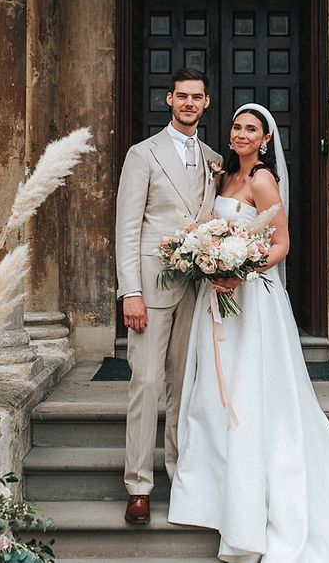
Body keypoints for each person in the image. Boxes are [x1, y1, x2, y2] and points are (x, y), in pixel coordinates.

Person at [168, 103, 329, 562]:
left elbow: (281, 243)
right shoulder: (223, 176)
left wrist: (241, 268)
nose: (242, 133)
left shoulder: (262, 180)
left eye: (252, 128)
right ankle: (215, 493)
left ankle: (256, 504)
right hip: (219, 300)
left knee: (249, 397)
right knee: (215, 395)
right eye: (237, 126)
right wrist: (208, 260)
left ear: (266, 139)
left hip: (252, 301)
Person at [115, 67, 223, 525]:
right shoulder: (143, 155)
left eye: (196, 97)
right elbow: (126, 227)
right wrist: (130, 292)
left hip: (195, 290)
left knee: (185, 386)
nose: (189, 104)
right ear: (169, 100)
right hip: (151, 290)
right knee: (147, 384)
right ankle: (139, 486)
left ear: (206, 103)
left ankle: (180, 477)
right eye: (182, 97)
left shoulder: (215, 158)